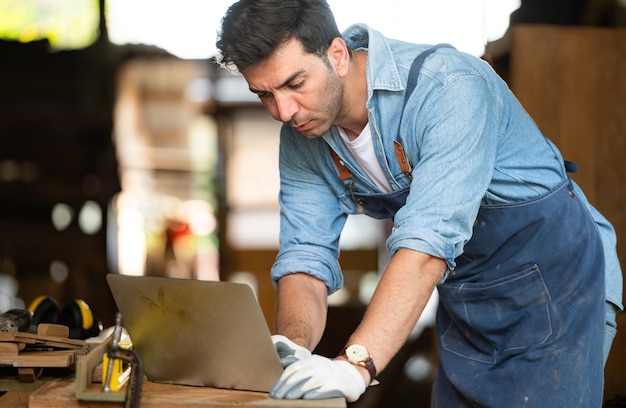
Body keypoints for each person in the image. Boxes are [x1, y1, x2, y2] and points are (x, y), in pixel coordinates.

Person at [215, 0, 623, 405]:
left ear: (337, 55)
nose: (283, 111)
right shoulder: (303, 134)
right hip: (468, 300)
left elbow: (426, 247)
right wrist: (294, 350)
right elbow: (305, 258)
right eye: (263, 94)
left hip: (556, 289)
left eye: (295, 84)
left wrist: (354, 365)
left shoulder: (449, 88)